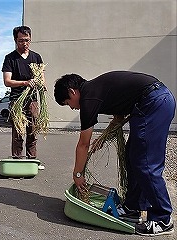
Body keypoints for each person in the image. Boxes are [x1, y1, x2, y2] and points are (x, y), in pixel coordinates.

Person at [54, 71, 175, 236]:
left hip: (154, 102)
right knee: (132, 158)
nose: (72, 107)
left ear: (72, 91)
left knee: (145, 162)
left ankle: (163, 218)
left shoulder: (88, 97)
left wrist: (78, 173)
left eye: (68, 103)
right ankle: (133, 207)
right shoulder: (96, 89)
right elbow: (119, 113)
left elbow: (83, 144)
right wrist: (103, 139)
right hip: (152, 102)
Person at [2, 26, 45, 159]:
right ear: (15, 40)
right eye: (21, 41)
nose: (24, 43)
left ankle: (32, 159)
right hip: (17, 100)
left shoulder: (36, 57)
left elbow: (42, 78)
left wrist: (42, 84)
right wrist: (25, 83)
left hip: (32, 100)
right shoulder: (10, 58)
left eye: (27, 40)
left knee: (32, 131)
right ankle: (17, 159)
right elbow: (7, 81)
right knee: (18, 132)